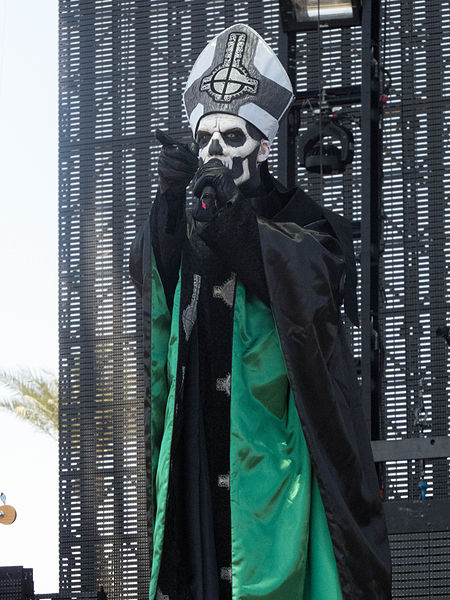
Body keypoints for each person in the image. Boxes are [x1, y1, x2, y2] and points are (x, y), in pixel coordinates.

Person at [130, 23, 391, 600]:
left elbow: (310, 283)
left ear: (264, 144)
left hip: (277, 462)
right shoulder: (190, 212)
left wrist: (232, 223)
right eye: (207, 138)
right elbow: (154, 280)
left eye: (234, 137)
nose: (217, 152)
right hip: (201, 447)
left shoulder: (302, 216)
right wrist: (172, 209)